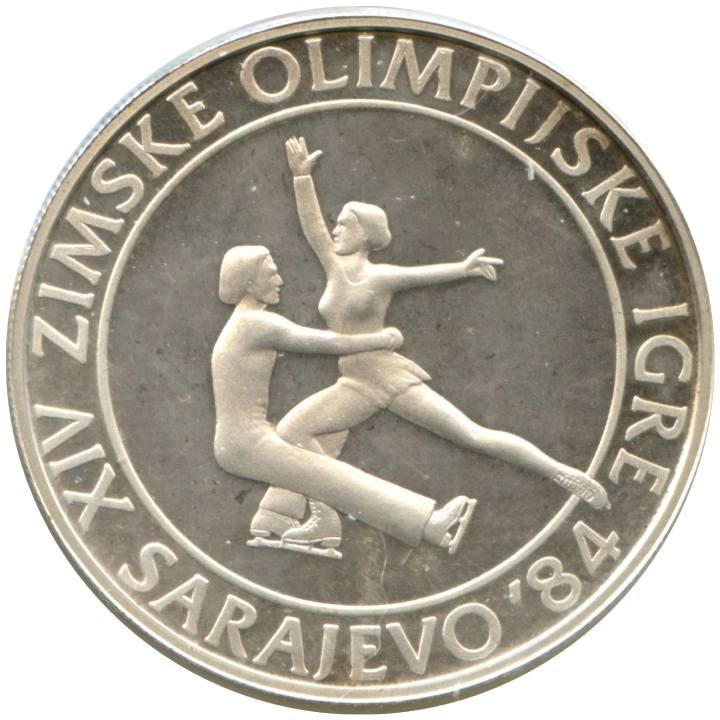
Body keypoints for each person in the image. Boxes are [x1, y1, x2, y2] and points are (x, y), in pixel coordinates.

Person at [254, 137, 609, 542]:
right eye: (338, 223)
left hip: (389, 377)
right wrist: (301, 177)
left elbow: (423, 276)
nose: (335, 228)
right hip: (354, 383)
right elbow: (312, 226)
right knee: (293, 430)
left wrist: (464, 268)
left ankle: (561, 473)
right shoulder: (334, 267)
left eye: (346, 224)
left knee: (471, 434)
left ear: (366, 235)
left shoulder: (381, 277)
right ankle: (325, 516)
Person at [212, 245, 476, 558]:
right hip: (245, 444)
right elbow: (328, 342)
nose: (280, 280)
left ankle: (276, 517)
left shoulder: (244, 323)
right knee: (337, 479)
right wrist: (380, 339)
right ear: (249, 282)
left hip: (244, 439)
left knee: (326, 431)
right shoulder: (255, 324)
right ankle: (430, 525)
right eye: (271, 274)